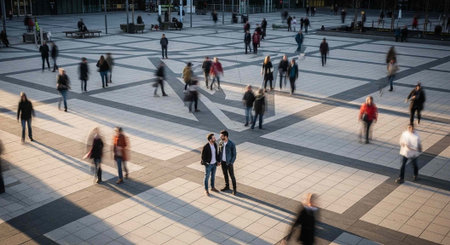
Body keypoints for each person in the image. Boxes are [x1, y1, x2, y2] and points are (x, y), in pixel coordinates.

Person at [218, 130, 237, 195]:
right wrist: (219, 160)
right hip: (223, 162)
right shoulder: (221, 143)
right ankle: (227, 186)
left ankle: (234, 189)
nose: (220, 137)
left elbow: (234, 154)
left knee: (232, 176)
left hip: (229, 163)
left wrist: (231, 162)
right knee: (225, 174)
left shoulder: (231, 144)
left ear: (225, 136)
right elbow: (219, 152)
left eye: (221, 136)